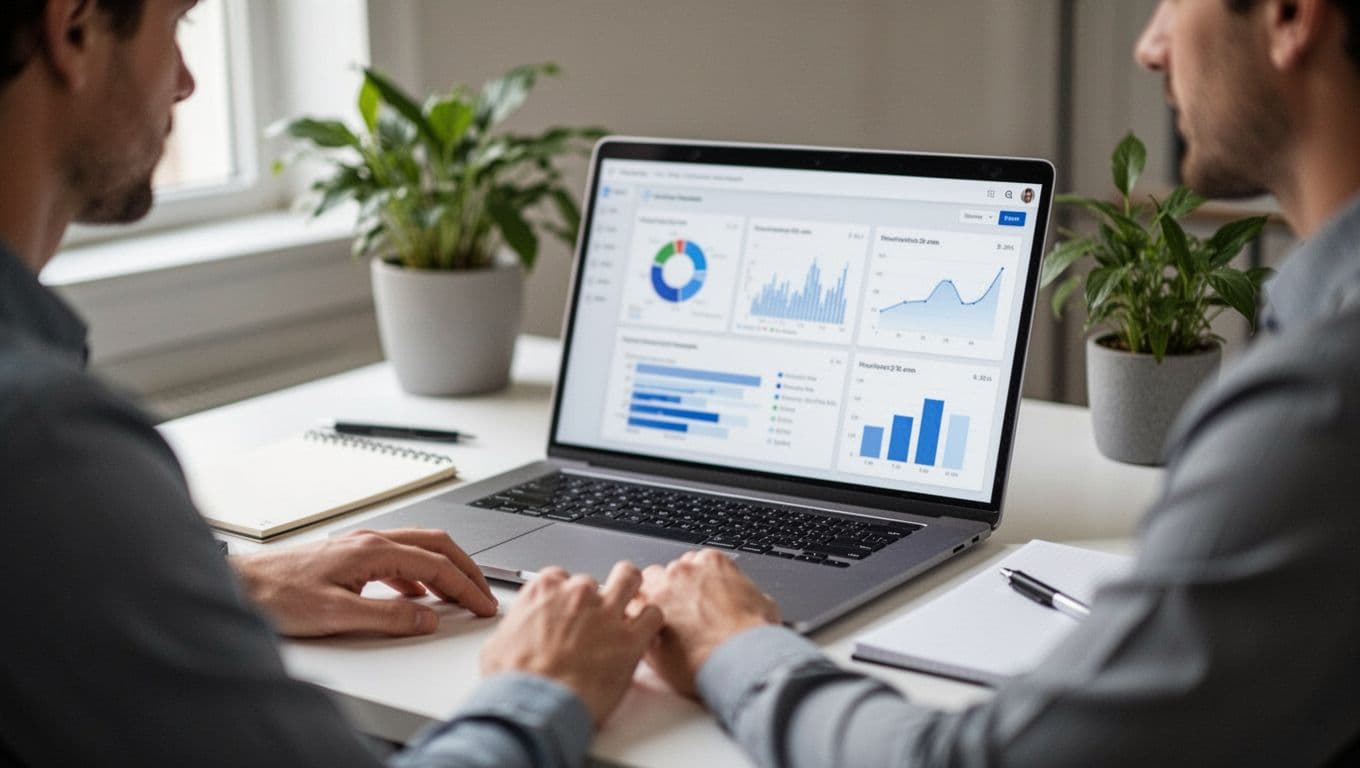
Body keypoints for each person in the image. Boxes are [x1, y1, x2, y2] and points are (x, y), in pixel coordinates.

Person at [638, 0, 1360, 765]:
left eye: (1176, 1)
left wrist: (737, 646)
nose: (1151, 46)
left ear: (1289, 16)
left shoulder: (1321, 402)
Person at [0, 1, 660, 766]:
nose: (184, 82)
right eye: (175, 25)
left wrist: (224, 583)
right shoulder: (43, 448)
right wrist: (544, 687)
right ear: (72, 28)